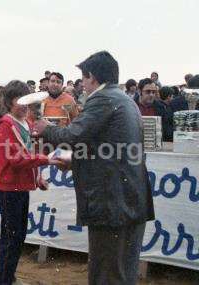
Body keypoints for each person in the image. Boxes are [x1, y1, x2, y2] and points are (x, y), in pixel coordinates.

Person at [38, 51, 154, 285]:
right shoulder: (125, 100)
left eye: (83, 78)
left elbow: (72, 135)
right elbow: (110, 150)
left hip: (112, 205)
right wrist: (75, 161)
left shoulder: (102, 99)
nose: (82, 84)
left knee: (105, 274)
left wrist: (45, 128)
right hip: (130, 201)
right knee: (123, 272)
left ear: (92, 76)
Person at [0, 80, 52, 285]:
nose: (25, 105)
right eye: (21, 101)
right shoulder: (6, 125)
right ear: (10, 102)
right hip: (9, 187)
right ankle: (4, 280)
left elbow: (28, 154)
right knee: (12, 239)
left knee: (17, 237)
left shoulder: (24, 123)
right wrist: (48, 160)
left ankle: (8, 277)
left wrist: (38, 177)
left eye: (27, 101)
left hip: (19, 186)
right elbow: (17, 159)